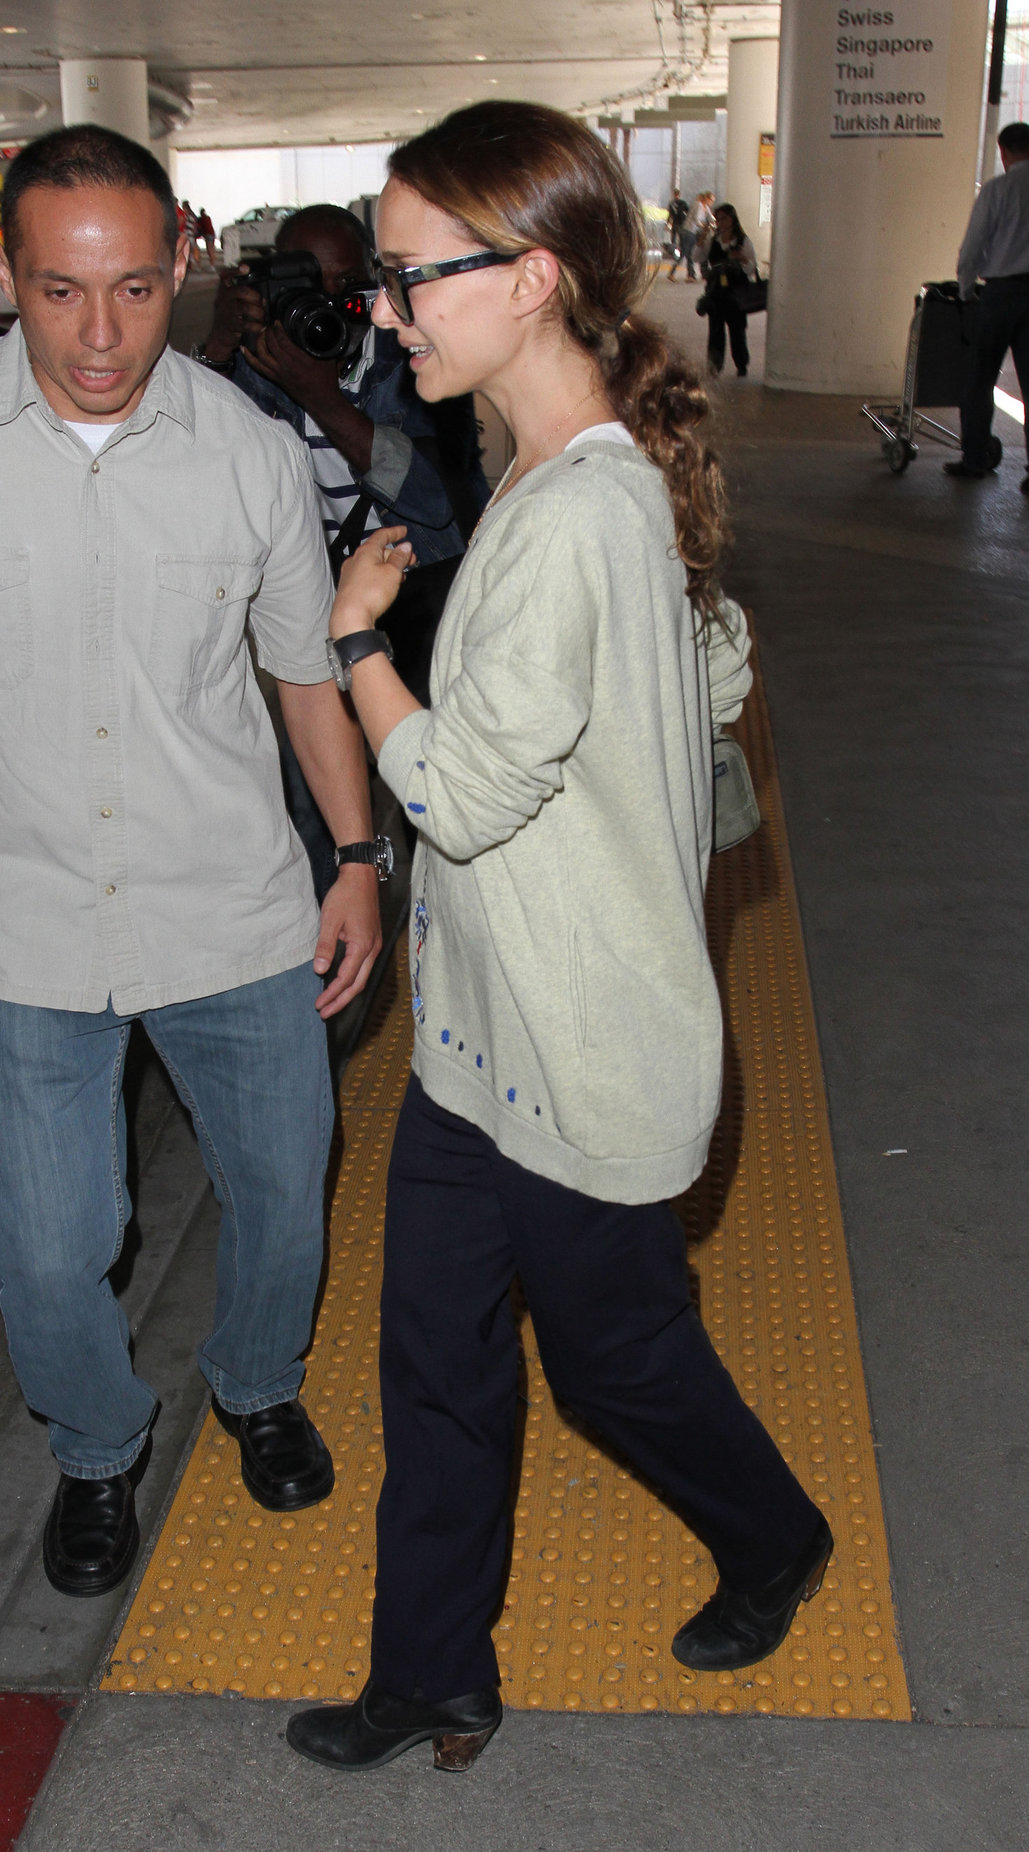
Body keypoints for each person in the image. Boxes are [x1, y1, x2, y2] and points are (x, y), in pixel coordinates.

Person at [285, 99, 833, 1777]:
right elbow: (716, 665)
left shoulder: (578, 510)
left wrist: (358, 639)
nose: (384, 312)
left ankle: (774, 1535)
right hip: (477, 1043)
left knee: (619, 1368)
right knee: (435, 1360)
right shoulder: (570, 468)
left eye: (404, 279)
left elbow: (457, 785)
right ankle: (429, 1669)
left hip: (582, 1060)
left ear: (524, 279)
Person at [0, 125, 384, 1600]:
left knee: (287, 1192)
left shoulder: (245, 450)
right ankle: (98, 1448)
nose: (103, 335)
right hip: (31, 919)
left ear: (184, 263)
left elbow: (301, 676)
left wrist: (356, 859)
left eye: (139, 290)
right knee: (49, 1251)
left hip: (228, 902)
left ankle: (254, 1382)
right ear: (13, 279)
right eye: (60, 293)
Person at [197, 202, 488, 896]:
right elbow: (190, 462)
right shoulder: (260, 357)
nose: (331, 311)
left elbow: (431, 501)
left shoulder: (412, 355)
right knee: (314, 794)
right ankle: (331, 937)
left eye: (349, 289)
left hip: (421, 594)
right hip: (313, 597)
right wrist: (217, 347)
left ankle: (437, 918)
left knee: (435, 777)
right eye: (305, 289)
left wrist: (323, 398)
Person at [945, 120, 1029, 489]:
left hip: (1000, 295)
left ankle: (975, 459)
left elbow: (973, 246)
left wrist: (965, 291)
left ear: (1003, 152)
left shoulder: (997, 190)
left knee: (979, 380)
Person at [699, 202, 758, 378]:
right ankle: (714, 366)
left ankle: (741, 364)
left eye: (724, 218)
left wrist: (742, 259)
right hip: (716, 293)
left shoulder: (743, 241)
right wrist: (700, 243)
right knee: (715, 331)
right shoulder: (712, 241)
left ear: (732, 219)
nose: (721, 223)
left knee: (737, 330)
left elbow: (751, 268)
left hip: (736, 294)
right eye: (718, 219)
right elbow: (698, 256)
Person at [672, 190, 715, 282]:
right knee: (685, 253)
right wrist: (703, 225)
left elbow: (711, 217)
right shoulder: (698, 205)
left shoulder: (705, 207)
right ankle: (673, 273)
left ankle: (690, 275)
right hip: (688, 231)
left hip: (692, 232)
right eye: (711, 200)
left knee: (689, 253)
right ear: (706, 198)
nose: (712, 202)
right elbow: (696, 219)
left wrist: (715, 222)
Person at [665, 186, 689, 278]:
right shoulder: (683, 203)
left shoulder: (671, 203)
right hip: (682, 223)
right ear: (679, 194)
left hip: (675, 224)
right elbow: (688, 212)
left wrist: (668, 223)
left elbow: (670, 215)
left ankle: (674, 253)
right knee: (681, 241)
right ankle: (679, 253)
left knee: (673, 240)